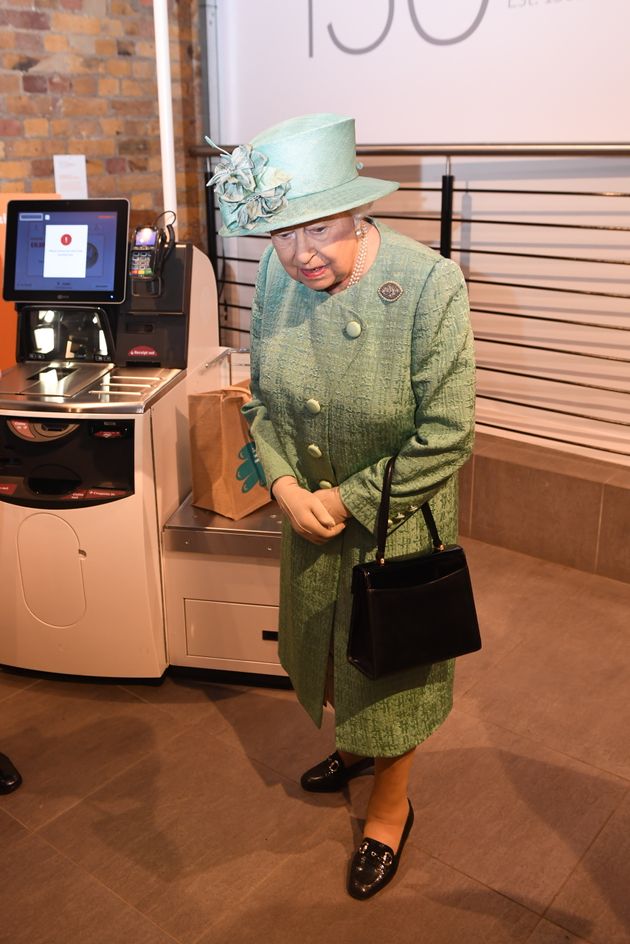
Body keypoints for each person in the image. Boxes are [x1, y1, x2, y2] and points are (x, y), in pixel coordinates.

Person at [208, 113, 475, 899]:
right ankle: (353, 747)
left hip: (397, 526)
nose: (300, 255)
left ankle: (390, 808)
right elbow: (260, 404)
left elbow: (449, 433)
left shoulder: (430, 285)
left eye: (319, 228)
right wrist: (283, 484)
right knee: (331, 650)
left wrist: (349, 500)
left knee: (393, 670)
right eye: (281, 235)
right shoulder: (274, 280)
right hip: (308, 519)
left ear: (358, 209)